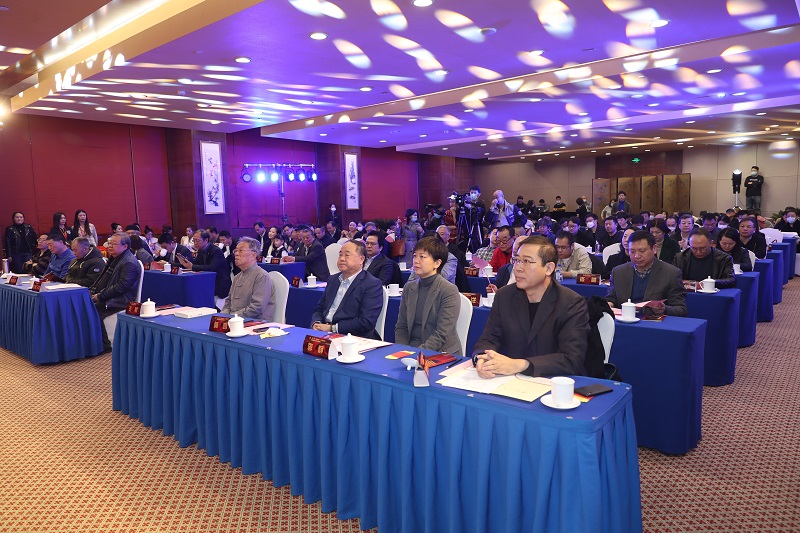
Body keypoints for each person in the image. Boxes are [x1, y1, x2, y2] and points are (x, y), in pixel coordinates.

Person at [472, 235, 591, 378]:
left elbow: (571, 359)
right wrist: (482, 358)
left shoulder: (571, 303)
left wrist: (520, 365)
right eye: (517, 260)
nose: (518, 268)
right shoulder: (504, 296)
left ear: (549, 268)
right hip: (508, 381)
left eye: (527, 261)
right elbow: (488, 339)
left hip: (552, 382)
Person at [395, 236, 462, 354]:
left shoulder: (448, 290)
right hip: (410, 350)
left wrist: (417, 354)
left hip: (441, 352)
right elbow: (401, 326)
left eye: (422, 257)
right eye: (415, 256)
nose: (416, 261)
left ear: (437, 263)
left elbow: (442, 333)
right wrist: (403, 350)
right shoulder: (409, 287)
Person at [310, 240, 383, 338]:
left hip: (353, 338)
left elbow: (366, 321)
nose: (342, 259)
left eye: (347, 255)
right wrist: (316, 323)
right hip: (325, 333)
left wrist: (332, 328)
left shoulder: (371, 284)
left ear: (361, 259)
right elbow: (320, 308)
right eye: (340, 255)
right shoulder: (333, 279)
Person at [605, 230, 687, 316]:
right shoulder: (618, 272)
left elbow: (681, 309)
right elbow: (612, 297)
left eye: (642, 251)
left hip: (654, 322)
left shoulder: (671, 273)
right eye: (632, 251)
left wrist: (664, 309)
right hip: (624, 320)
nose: (637, 256)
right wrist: (609, 304)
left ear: (654, 249)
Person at [91, 233, 141, 351]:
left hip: (122, 299)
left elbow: (121, 287)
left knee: (92, 310)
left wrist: (100, 296)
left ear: (125, 246)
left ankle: (104, 345)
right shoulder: (114, 259)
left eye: (114, 244)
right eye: (109, 243)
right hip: (110, 295)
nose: (110, 246)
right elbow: (102, 280)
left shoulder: (128, 262)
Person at [222, 237, 275, 321]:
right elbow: (228, 302)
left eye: (241, 250)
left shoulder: (261, 276)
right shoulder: (237, 277)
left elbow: (256, 307)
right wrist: (223, 316)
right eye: (235, 251)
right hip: (234, 320)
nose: (236, 254)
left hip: (254, 323)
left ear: (253, 255)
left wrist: (232, 317)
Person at [177, 230, 232, 303]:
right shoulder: (201, 250)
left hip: (219, 285)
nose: (195, 243)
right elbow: (195, 264)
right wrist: (184, 263)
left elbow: (212, 268)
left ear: (206, 240)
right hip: (208, 282)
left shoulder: (215, 250)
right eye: (194, 240)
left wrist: (192, 266)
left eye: (198, 241)